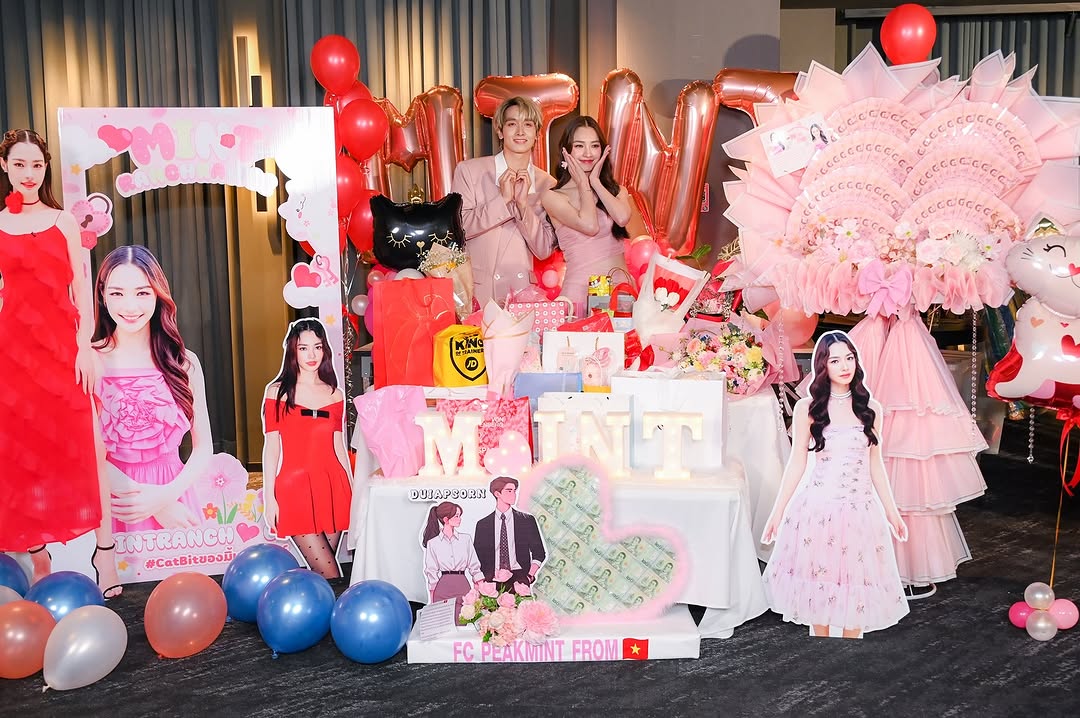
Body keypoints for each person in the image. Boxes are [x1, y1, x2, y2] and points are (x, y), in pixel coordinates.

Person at [0, 129, 113, 593]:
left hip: (63, 350)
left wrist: (85, 346)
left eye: (37, 165)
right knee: (21, 454)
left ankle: (105, 555)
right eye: (20, 164)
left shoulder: (63, 221)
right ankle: (38, 554)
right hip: (14, 354)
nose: (29, 174)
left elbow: (81, 289)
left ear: (45, 168)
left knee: (87, 447)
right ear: (4, 166)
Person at [761, 331, 909, 638]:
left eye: (849, 358)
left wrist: (892, 513)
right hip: (819, 513)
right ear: (823, 366)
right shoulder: (808, 408)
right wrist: (777, 513)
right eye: (835, 360)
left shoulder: (871, 408)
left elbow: (875, 465)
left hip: (860, 514)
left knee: (857, 596)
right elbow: (797, 463)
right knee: (819, 596)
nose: (844, 366)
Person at [92, 245, 214, 595]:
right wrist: (150, 504)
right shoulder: (90, 360)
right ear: (102, 295)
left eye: (142, 293)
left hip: (175, 496)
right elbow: (88, 452)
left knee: (185, 603)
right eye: (118, 293)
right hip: (116, 503)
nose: (130, 306)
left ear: (158, 295)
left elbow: (203, 447)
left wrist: (165, 499)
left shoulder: (184, 362)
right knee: (122, 608)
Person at [263, 318, 353, 579]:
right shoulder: (277, 392)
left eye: (317, 347)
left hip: (333, 487)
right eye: (303, 348)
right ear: (293, 350)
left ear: (325, 349)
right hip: (295, 489)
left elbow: (339, 447)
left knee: (323, 573)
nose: (311, 355)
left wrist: (353, 493)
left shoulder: (334, 394)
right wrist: (270, 498)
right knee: (329, 572)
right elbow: (272, 447)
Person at [451, 96, 557, 306]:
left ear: (537, 134)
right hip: (477, 292)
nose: (520, 132)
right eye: (512, 124)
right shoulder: (470, 171)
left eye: (528, 124)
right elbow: (458, 227)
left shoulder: (547, 183)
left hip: (522, 295)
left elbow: (544, 249)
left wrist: (523, 207)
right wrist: (503, 201)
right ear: (500, 131)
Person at [542, 116, 631, 316]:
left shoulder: (616, 191)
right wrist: (583, 184)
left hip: (621, 292)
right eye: (579, 146)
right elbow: (590, 226)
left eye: (595, 145)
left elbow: (622, 218)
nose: (588, 153)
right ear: (566, 151)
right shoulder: (554, 196)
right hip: (580, 294)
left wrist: (596, 183)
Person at [473, 476, 545, 591]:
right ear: (497, 494)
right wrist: (482, 580)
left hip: (519, 579)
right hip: (491, 581)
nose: (514, 494)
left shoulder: (526, 520)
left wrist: (529, 576)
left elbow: (539, 552)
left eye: (515, 491)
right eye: (509, 491)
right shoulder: (483, 524)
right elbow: (477, 557)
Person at [421, 501, 484, 617]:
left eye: (460, 515)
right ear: (446, 519)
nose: (460, 519)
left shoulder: (466, 539)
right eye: (457, 516)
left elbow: (474, 566)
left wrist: (480, 587)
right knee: (443, 620)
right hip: (442, 587)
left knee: (464, 618)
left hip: (462, 585)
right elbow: (431, 571)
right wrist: (432, 599)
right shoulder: (433, 543)